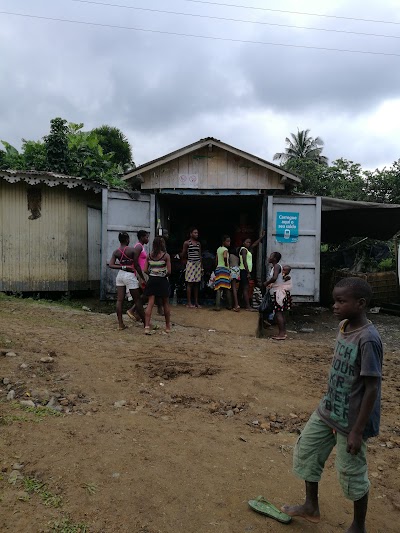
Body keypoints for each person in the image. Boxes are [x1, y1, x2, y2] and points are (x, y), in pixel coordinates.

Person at [281, 277, 383, 533]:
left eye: (340, 301)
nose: (334, 305)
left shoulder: (368, 339)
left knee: (351, 474)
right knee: (307, 451)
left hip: (352, 421)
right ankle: (310, 506)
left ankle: (358, 526)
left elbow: (372, 388)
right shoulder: (344, 326)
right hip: (328, 409)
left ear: (360, 303)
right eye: (334, 299)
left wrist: (358, 431)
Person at [108, 232, 145, 330]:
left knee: (119, 300)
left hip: (120, 275)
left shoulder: (116, 252)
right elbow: (136, 265)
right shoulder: (132, 250)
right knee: (137, 300)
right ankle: (146, 324)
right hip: (129, 276)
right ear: (127, 239)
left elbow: (111, 265)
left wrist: (122, 266)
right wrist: (142, 277)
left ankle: (120, 324)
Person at [143, 237, 171, 334]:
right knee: (165, 303)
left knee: (150, 303)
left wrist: (152, 273)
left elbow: (145, 269)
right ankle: (167, 326)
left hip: (152, 280)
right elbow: (169, 271)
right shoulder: (166, 256)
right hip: (162, 280)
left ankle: (146, 326)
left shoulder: (149, 256)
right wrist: (163, 274)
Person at [264, 252, 292, 340]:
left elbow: (274, 278)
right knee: (281, 313)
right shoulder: (277, 266)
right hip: (281, 292)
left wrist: (267, 283)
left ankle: (281, 334)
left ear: (275, 258)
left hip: (279, 293)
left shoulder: (276, 266)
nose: (269, 257)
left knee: (278, 313)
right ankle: (283, 332)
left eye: (271, 256)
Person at [239, 230, 265, 311]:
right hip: (244, 271)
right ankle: (247, 306)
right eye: (247, 242)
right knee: (246, 288)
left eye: (249, 242)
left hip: (245, 271)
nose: (249, 243)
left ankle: (239, 304)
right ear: (243, 243)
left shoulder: (247, 249)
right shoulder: (243, 250)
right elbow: (244, 261)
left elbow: (254, 244)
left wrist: (261, 237)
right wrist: (248, 272)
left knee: (242, 288)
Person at [181, 227, 202, 308]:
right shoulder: (187, 243)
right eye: (195, 233)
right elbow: (183, 253)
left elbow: (200, 255)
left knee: (197, 283)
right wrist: (185, 262)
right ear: (190, 234)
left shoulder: (198, 243)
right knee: (190, 283)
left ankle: (196, 302)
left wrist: (201, 266)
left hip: (197, 264)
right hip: (190, 264)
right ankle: (189, 302)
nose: (196, 234)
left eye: (197, 233)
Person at [214, 235, 232, 311]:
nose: (229, 243)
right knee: (227, 287)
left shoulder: (218, 249)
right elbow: (225, 257)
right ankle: (230, 305)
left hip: (218, 269)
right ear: (223, 242)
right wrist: (226, 264)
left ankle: (217, 306)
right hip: (224, 269)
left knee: (218, 287)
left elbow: (216, 259)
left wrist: (216, 267)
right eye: (227, 241)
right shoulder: (225, 249)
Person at [229, 247, 241, 312]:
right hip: (237, 271)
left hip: (232, 270)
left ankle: (236, 305)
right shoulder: (237, 257)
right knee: (235, 288)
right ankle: (235, 304)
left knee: (233, 288)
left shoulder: (230, 255)